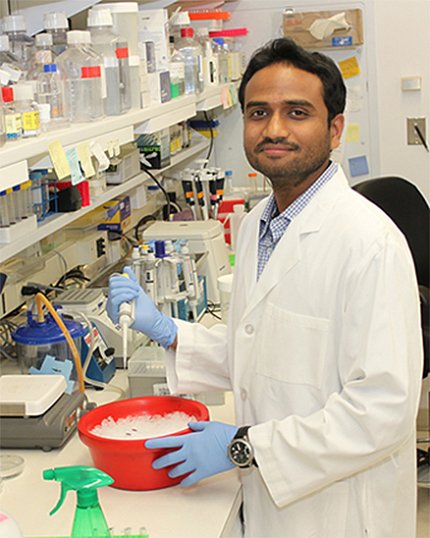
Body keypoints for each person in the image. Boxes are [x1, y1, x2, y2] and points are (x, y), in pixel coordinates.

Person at [107, 38, 423, 537]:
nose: (274, 129)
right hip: (273, 501)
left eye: (297, 112)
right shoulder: (258, 224)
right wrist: (174, 334)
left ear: (334, 129)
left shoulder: (371, 243)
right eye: (258, 112)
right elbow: (271, 349)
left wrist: (243, 445)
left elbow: (382, 411)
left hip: (340, 513)